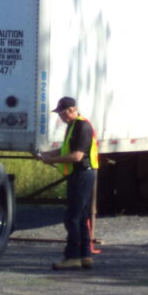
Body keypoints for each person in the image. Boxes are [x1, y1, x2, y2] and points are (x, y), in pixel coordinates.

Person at [38, 96, 99, 270]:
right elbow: (67, 149)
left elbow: (77, 156)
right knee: (81, 216)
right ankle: (85, 255)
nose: (61, 117)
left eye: (62, 113)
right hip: (81, 174)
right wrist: (48, 154)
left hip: (82, 174)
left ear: (72, 109)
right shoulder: (74, 126)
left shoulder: (81, 126)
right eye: (59, 114)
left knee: (72, 217)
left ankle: (72, 256)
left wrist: (52, 160)